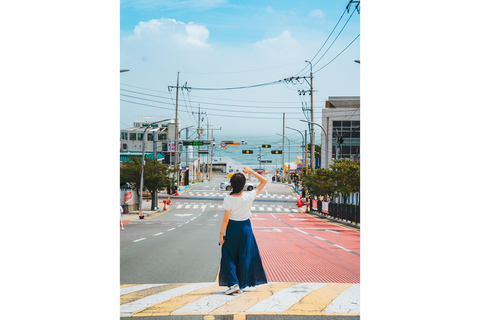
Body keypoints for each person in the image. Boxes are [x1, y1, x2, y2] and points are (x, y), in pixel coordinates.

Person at [218, 166, 268, 295]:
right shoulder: (249, 196)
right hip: (246, 228)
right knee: (245, 256)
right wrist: (251, 171)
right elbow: (264, 181)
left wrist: (221, 235)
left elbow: (226, 219)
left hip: (232, 228)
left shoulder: (228, 199)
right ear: (244, 184)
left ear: (231, 184)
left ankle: (234, 284)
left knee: (228, 255)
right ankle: (241, 284)